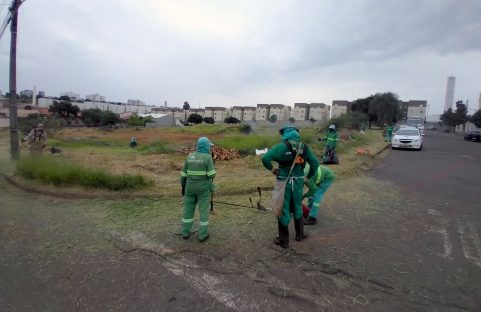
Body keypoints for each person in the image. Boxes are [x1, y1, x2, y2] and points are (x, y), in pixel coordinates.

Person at [262, 124, 319, 249]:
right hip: (298, 181)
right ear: (296, 134)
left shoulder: (281, 147)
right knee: (297, 206)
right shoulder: (304, 147)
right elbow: (315, 163)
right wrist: (308, 176)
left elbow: (265, 158)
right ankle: (300, 235)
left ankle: (284, 241)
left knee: (284, 208)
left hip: (284, 182)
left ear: (285, 134)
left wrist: (272, 169)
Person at [180, 137, 216, 242]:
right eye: (209, 146)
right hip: (203, 190)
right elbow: (211, 175)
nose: (210, 148)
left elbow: (183, 174)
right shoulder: (208, 158)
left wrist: (183, 186)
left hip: (189, 188)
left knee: (188, 210)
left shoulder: (189, 156)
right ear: (206, 146)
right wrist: (213, 169)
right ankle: (202, 235)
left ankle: (185, 233)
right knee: (204, 210)